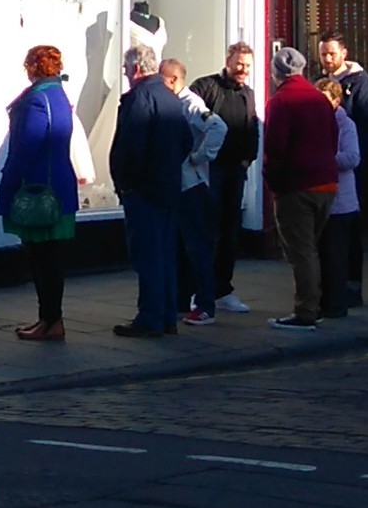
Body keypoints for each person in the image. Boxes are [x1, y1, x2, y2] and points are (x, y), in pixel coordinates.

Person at [108, 45, 192, 339]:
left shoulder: (141, 98)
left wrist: (127, 182)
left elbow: (131, 147)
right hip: (167, 187)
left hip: (144, 190)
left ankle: (151, 317)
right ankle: (167, 315)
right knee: (165, 254)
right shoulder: (169, 97)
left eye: (125, 69)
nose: (125, 75)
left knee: (148, 255)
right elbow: (186, 140)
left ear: (136, 69)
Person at [0, 45, 80, 341]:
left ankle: (51, 320)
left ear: (33, 67)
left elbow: (25, 148)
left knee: (42, 259)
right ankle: (47, 319)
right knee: (48, 258)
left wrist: (8, 182)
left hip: (39, 192)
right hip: (59, 187)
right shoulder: (59, 96)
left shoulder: (37, 100)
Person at [264, 46, 339, 332]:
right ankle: (316, 303)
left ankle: (307, 310)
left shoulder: (281, 101)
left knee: (301, 252)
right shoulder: (319, 99)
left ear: (276, 73)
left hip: (297, 186)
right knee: (312, 248)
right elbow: (333, 137)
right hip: (326, 183)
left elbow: (275, 148)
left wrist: (274, 182)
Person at [191, 43, 260, 314]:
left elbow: (252, 126)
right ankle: (201, 290)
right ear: (228, 61)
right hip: (211, 170)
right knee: (208, 230)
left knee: (230, 232)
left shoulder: (249, 94)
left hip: (235, 170)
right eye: (239, 64)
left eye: (247, 65)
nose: (242, 70)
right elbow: (190, 118)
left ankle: (223, 289)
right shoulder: (206, 87)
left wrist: (249, 157)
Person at [162, 58, 227, 326]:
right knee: (181, 246)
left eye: (162, 79)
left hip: (192, 187)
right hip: (181, 186)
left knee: (196, 247)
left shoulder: (190, 104)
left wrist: (198, 157)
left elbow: (218, 127)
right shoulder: (175, 103)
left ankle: (205, 305)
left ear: (175, 80)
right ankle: (181, 298)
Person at [315, 33, 368, 307]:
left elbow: (366, 124)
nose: (327, 59)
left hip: (350, 171)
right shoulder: (319, 83)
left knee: (349, 234)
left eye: (332, 53)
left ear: (344, 52)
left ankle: (352, 287)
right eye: (323, 54)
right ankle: (331, 286)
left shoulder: (360, 82)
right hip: (325, 176)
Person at [314, 77, 362, 319]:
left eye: (325, 100)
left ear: (336, 100)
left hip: (341, 203)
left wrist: (324, 160)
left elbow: (353, 157)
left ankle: (336, 304)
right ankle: (324, 301)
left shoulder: (346, 125)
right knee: (321, 254)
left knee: (335, 256)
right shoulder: (313, 123)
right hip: (319, 199)